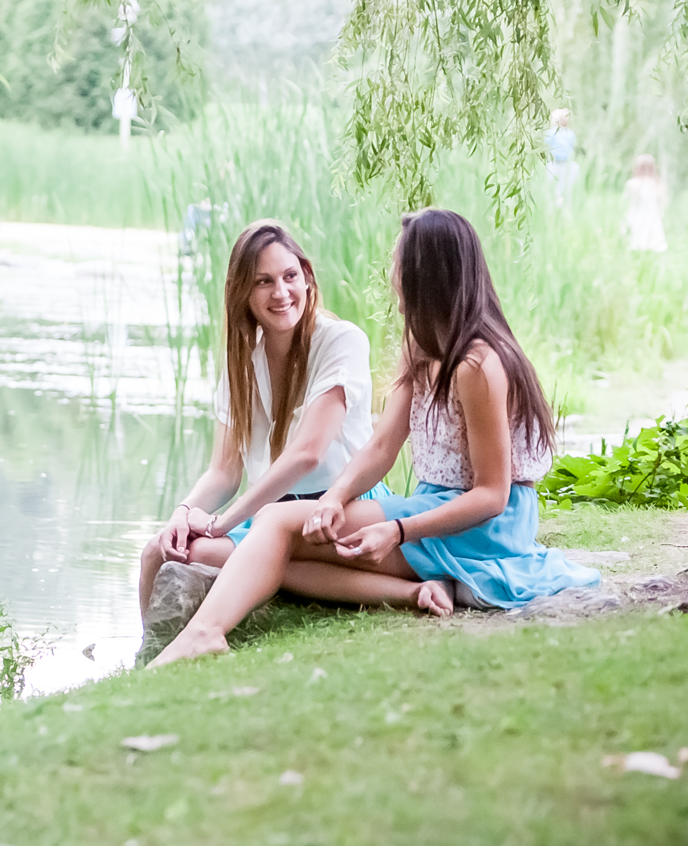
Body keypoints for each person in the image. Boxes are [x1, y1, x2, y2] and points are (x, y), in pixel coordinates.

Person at [148, 208, 601, 666]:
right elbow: (384, 445)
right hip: (430, 504)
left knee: (275, 527)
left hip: (482, 529)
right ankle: (413, 591)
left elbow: (492, 495)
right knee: (278, 547)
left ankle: (205, 633)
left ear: (426, 275)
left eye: (399, 264)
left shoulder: (478, 366)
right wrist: (335, 498)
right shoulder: (419, 348)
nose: (392, 276)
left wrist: (398, 529)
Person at [138, 220, 378, 620]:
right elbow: (223, 472)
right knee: (158, 550)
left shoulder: (340, 341)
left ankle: (399, 589)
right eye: (264, 282)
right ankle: (145, 662)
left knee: (203, 549)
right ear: (243, 294)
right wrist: (181, 514)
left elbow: (308, 454)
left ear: (307, 277)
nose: (281, 293)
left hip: (337, 511)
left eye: (290, 276)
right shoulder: (243, 363)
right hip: (270, 518)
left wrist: (220, 523)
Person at [622, 154, 667, 252]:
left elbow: (628, 201)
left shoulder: (632, 184)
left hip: (636, 215)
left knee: (636, 240)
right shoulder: (657, 185)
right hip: (653, 215)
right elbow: (661, 203)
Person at [545, 109, 577, 205]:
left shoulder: (551, 133)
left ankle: (552, 208)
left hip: (554, 163)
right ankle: (565, 209)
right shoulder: (570, 134)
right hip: (567, 164)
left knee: (551, 189)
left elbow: (546, 144)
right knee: (565, 189)